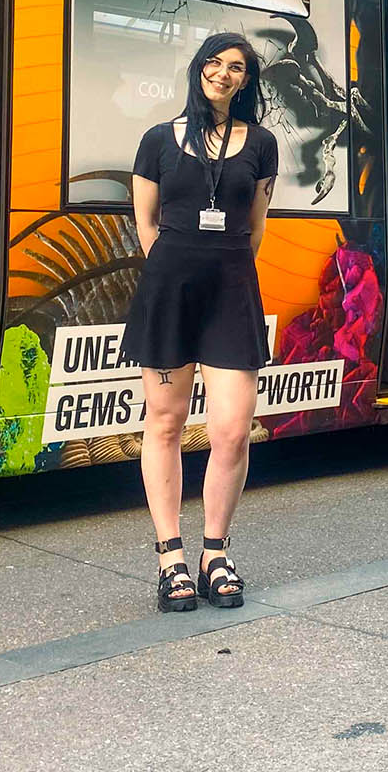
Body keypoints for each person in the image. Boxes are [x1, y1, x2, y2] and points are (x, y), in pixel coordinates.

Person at [122, 32, 278, 613]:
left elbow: (256, 225)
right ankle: (171, 557)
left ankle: (216, 550)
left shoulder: (260, 143)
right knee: (164, 424)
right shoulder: (157, 140)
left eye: (236, 67)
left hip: (232, 290)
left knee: (233, 430)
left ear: (246, 81)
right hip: (170, 291)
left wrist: (224, 268)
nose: (223, 73)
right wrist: (175, 272)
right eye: (215, 62)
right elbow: (146, 224)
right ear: (198, 69)